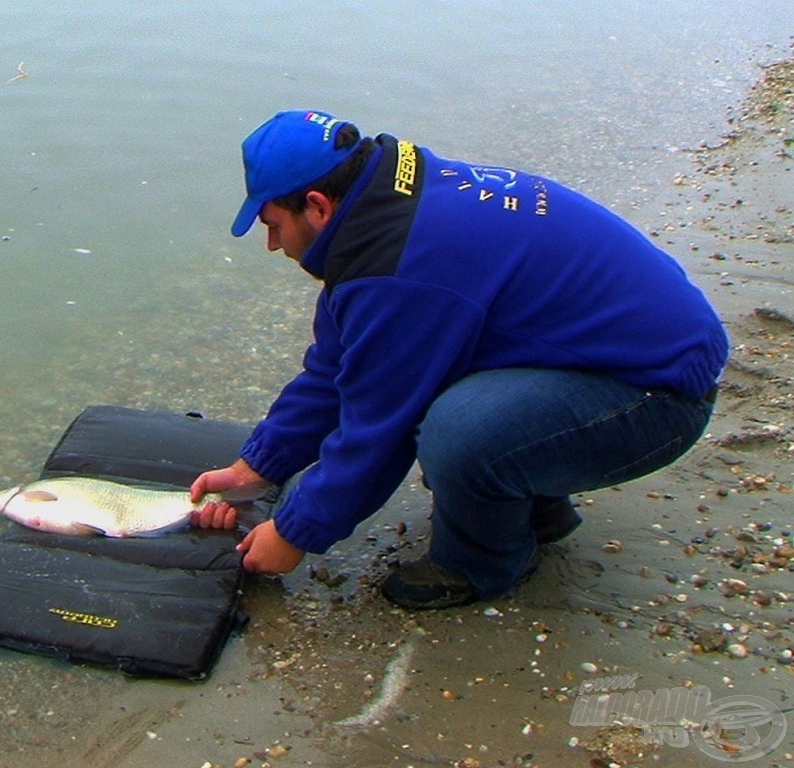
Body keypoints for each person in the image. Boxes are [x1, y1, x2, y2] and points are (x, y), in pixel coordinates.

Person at [189, 109, 728, 610]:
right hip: (614, 358)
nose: (272, 245)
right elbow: (335, 368)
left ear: (318, 205)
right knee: (450, 379)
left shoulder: (401, 268)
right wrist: (257, 466)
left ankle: (481, 564)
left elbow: (378, 429)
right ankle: (535, 507)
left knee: (451, 429)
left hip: (660, 394)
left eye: (272, 225)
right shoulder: (389, 205)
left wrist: (292, 534)